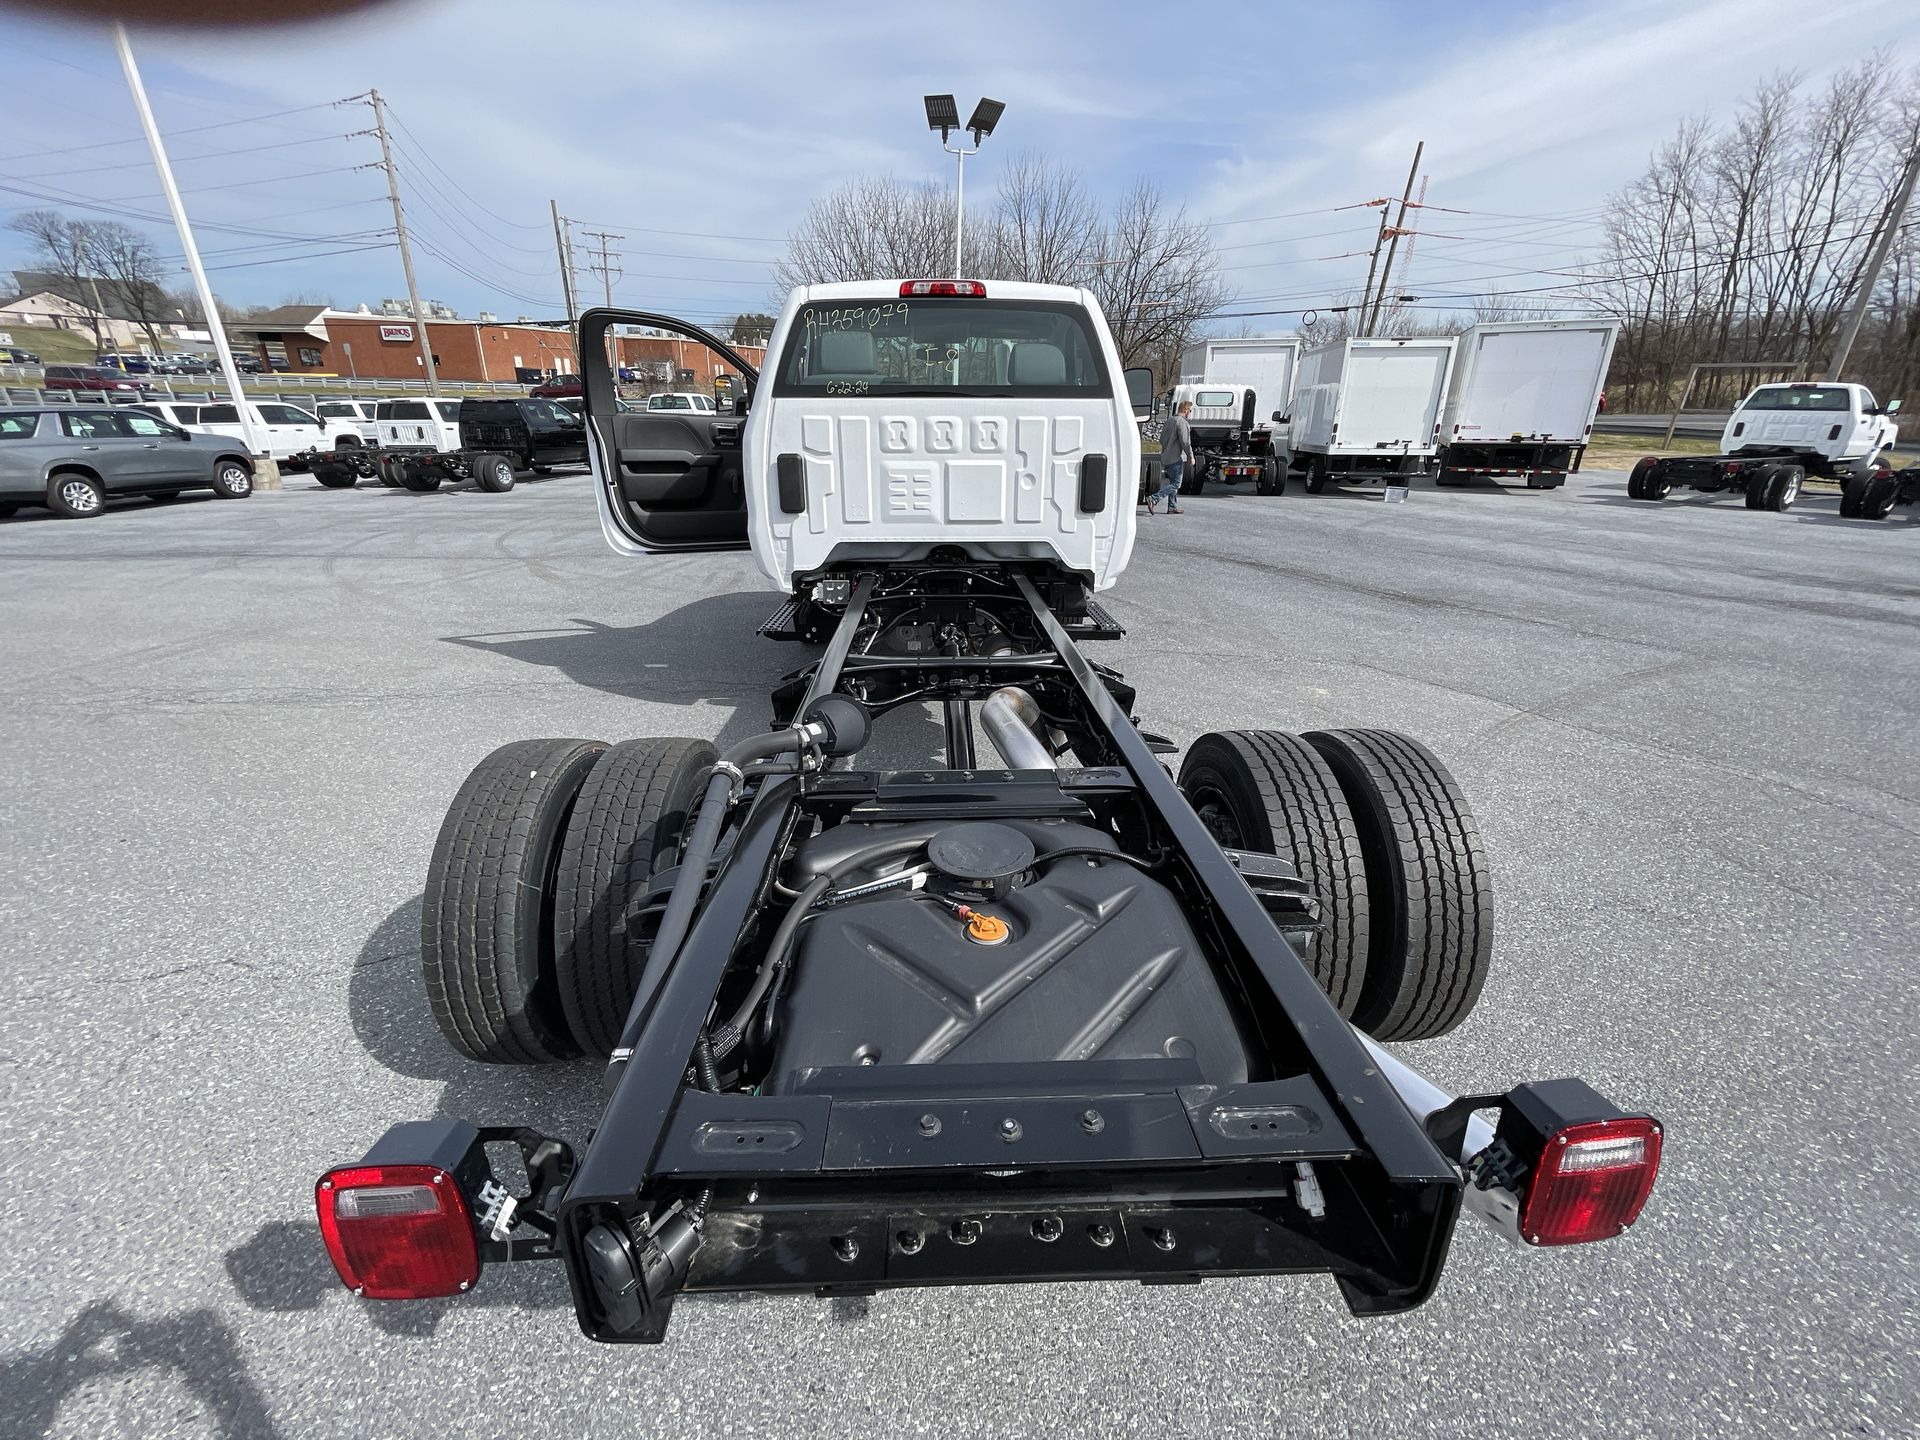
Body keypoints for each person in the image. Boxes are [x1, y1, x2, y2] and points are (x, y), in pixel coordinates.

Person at [1148, 401, 1193, 514]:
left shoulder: (1169, 420)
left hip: (1166, 456)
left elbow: (1161, 439)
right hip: (1175, 457)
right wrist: (1190, 456)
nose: (1190, 413)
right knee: (1176, 484)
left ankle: (1172, 507)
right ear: (1186, 410)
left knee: (1173, 481)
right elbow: (1185, 442)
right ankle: (1154, 498)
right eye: (1190, 410)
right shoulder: (1182, 422)